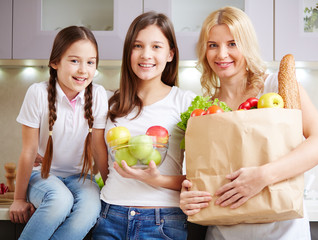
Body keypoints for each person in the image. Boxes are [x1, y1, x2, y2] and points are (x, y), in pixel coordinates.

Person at [179, 6, 318, 240]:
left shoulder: (277, 87)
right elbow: (205, 175)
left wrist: (262, 177)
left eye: (232, 43)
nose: (222, 54)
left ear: (247, 44)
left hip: (283, 231)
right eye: (213, 45)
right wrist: (188, 196)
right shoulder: (205, 109)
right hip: (223, 232)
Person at [91, 12, 196, 240]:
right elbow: (99, 152)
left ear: (170, 54)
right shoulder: (109, 101)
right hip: (110, 214)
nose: (146, 54)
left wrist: (156, 180)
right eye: (137, 45)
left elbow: (199, 176)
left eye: (156, 46)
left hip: (163, 219)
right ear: (128, 52)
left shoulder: (185, 102)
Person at [9, 25, 109, 240]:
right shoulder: (38, 93)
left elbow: (100, 149)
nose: (83, 70)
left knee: (91, 208)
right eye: (74, 61)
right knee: (60, 200)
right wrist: (18, 199)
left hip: (80, 177)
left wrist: (111, 188)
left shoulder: (99, 95)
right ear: (55, 62)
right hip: (42, 175)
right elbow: (29, 151)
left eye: (90, 62)